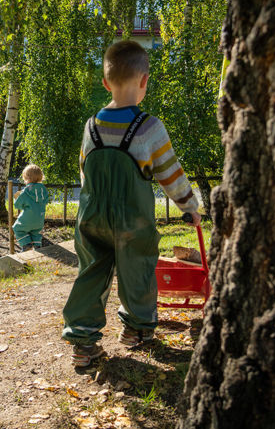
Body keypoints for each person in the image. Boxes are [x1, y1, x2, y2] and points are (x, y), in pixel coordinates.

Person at [61, 40, 202, 367]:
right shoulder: (149, 127)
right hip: (132, 220)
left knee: (91, 273)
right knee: (137, 270)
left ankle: (82, 342)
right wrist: (189, 207)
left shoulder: (91, 126)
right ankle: (135, 330)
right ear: (144, 81)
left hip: (91, 216)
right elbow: (170, 173)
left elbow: (84, 171)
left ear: (105, 83)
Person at [12, 164, 50, 251]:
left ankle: (26, 244)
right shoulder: (44, 190)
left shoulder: (26, 191)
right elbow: (46, 201)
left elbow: (17, 205)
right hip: (39, 219)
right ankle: (37, 246)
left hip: (27, 219)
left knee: (17, 228)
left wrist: (16, 197)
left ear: (27, 178)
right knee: (36, 232)